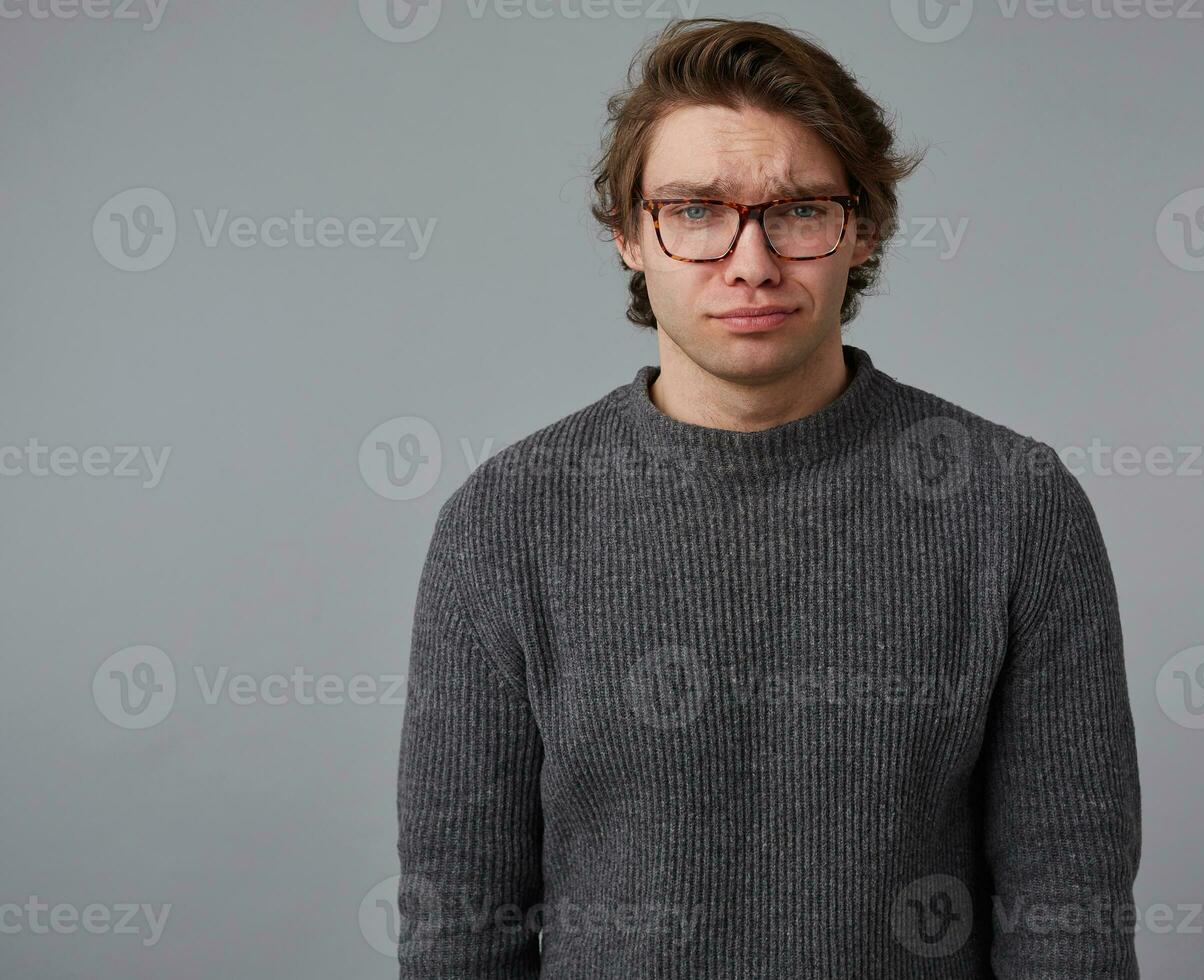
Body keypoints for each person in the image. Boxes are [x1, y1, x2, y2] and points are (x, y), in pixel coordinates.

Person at [396, 16, 1142, 979]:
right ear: (629, 234)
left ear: (861, 228)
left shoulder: (1016, 505)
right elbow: (460, 929)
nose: (750, 262)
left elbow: (1068, 922)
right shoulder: (504, 521)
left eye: (798, 210)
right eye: (696, 210)